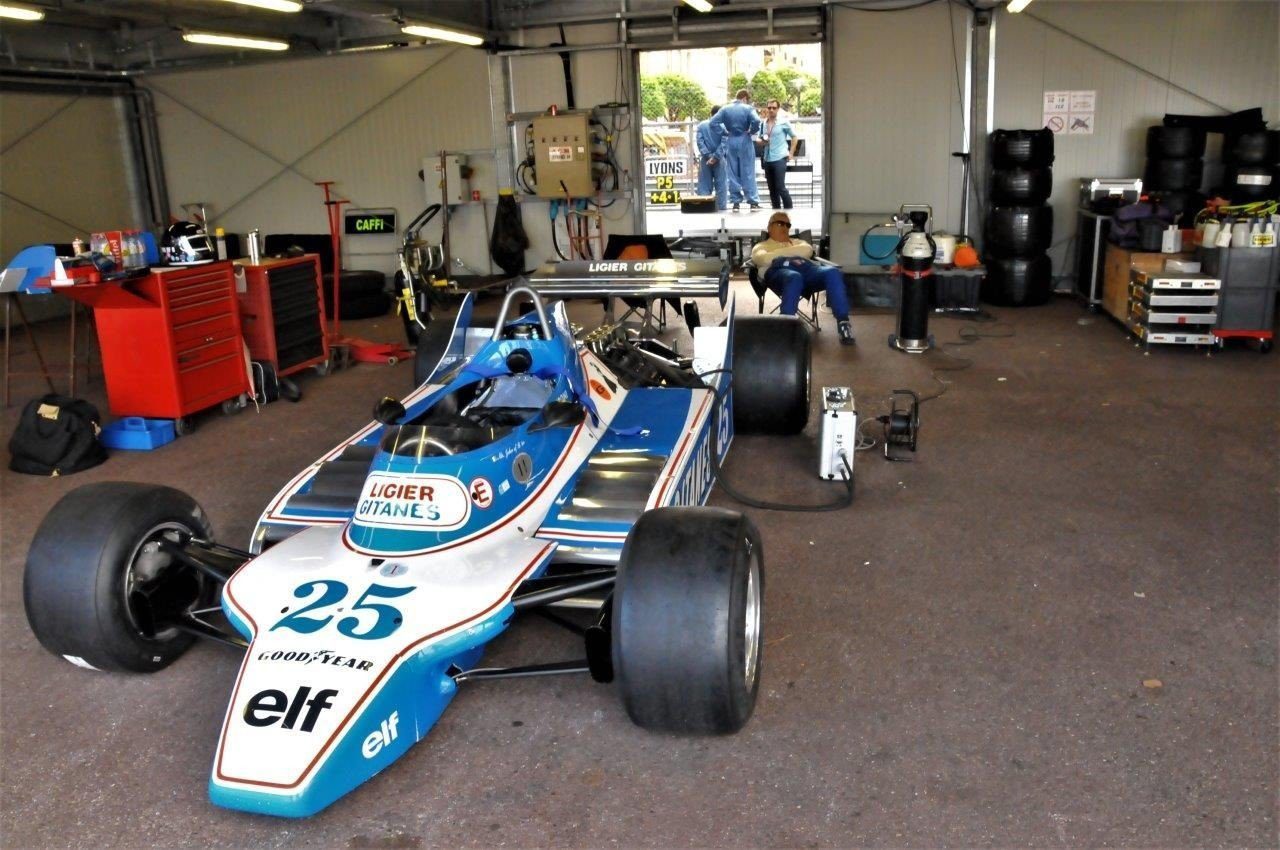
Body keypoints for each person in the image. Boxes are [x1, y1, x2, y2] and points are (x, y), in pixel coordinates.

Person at [752, 211, 855, 345]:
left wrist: (777, 255)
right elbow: (763, 259)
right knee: (794, 277)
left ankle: (843, 323)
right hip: (779, 273)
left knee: (832, 272)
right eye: (780, 223)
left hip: (808, 271)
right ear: (769, 227)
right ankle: (786, 327)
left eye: (787, 225)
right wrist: (792, 253)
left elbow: (807, 250)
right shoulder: (761, 246)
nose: (784, 227)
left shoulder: (799, 241)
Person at [709, 88, 762, 212]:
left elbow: (713, 123)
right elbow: (757, 121)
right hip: (745, 139)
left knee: (732, 172)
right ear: (744, 98)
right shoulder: (748, 109)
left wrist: (724, 131)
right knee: (748, 171)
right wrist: (752, 130)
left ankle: (736, 203)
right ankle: (753, 202)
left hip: (731, 139)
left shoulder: (725, 109)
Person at [759, 99, 797, 210]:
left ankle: (789, 212)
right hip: (767, 158)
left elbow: (794, 137)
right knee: (772, 189)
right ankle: (776, 213)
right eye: (769, 107)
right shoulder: (763, 123)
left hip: (780, 158)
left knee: (780, 187)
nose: (771, 110)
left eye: (774, 108)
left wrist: (791, 154)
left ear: (778, 109)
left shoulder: (783, 122)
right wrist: (761, 142)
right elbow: (761, 138)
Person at [695, 105, 728, 210]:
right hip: (720, 160)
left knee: (704, 185)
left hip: (705, 160)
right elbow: (724, 143)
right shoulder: (724, 127)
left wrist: (708, 156)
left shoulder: (701, 126)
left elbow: (700, 143)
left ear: (711, 113)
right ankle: (721, 208)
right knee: (721, 186)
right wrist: (716, 157)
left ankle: (704, 207)